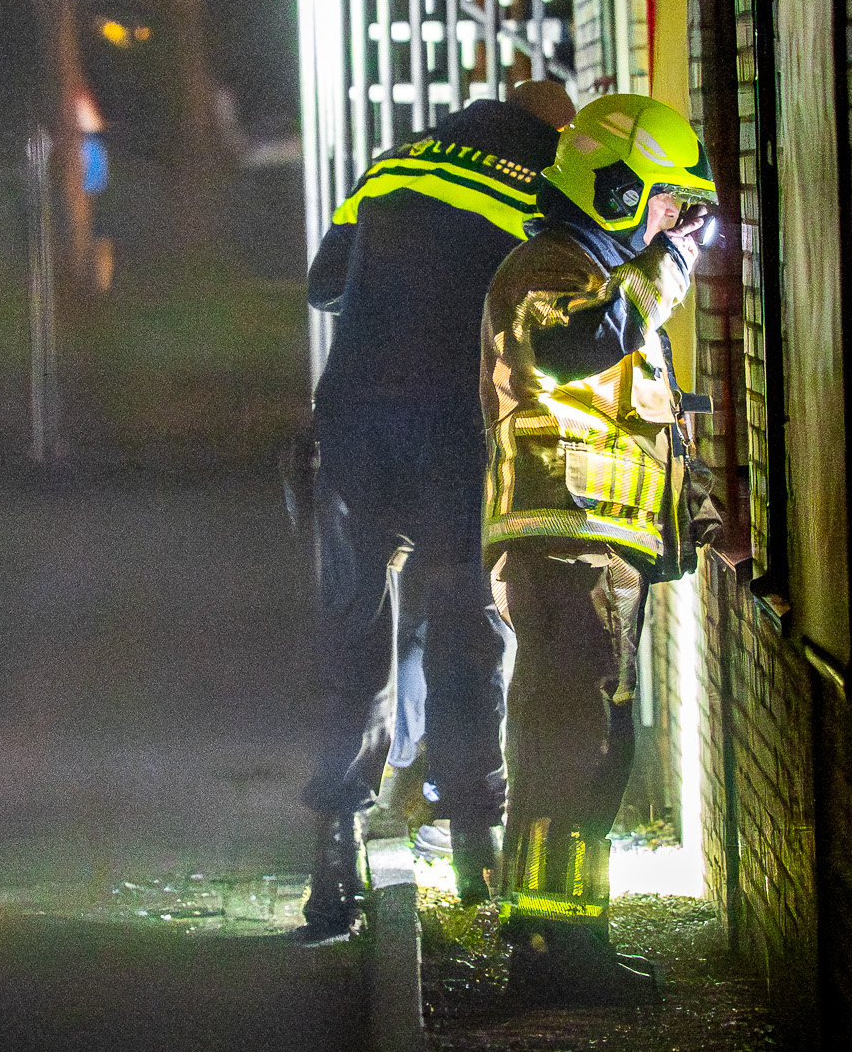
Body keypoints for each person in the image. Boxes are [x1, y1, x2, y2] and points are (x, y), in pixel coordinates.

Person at [296, 80, 577, 943]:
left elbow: (324, 285)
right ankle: (473, 848)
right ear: (555, 132)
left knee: (354, 636)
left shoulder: (395, 165)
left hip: (353, 422)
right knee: (464, 621)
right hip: (455, 427)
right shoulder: (550, 183)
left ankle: (332, 859)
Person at [478, 93, 719, 1004]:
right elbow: (576, 346)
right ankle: (549, 954)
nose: (672, 227)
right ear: (619, 191)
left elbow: (639, 428)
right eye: (666, 205)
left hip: (595, 552)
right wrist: (670, 267)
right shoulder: (549, 268)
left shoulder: (603, 277)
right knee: (566, 749)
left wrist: (705, 522)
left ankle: (570, 938)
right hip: (564, 547)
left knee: (592, 749)